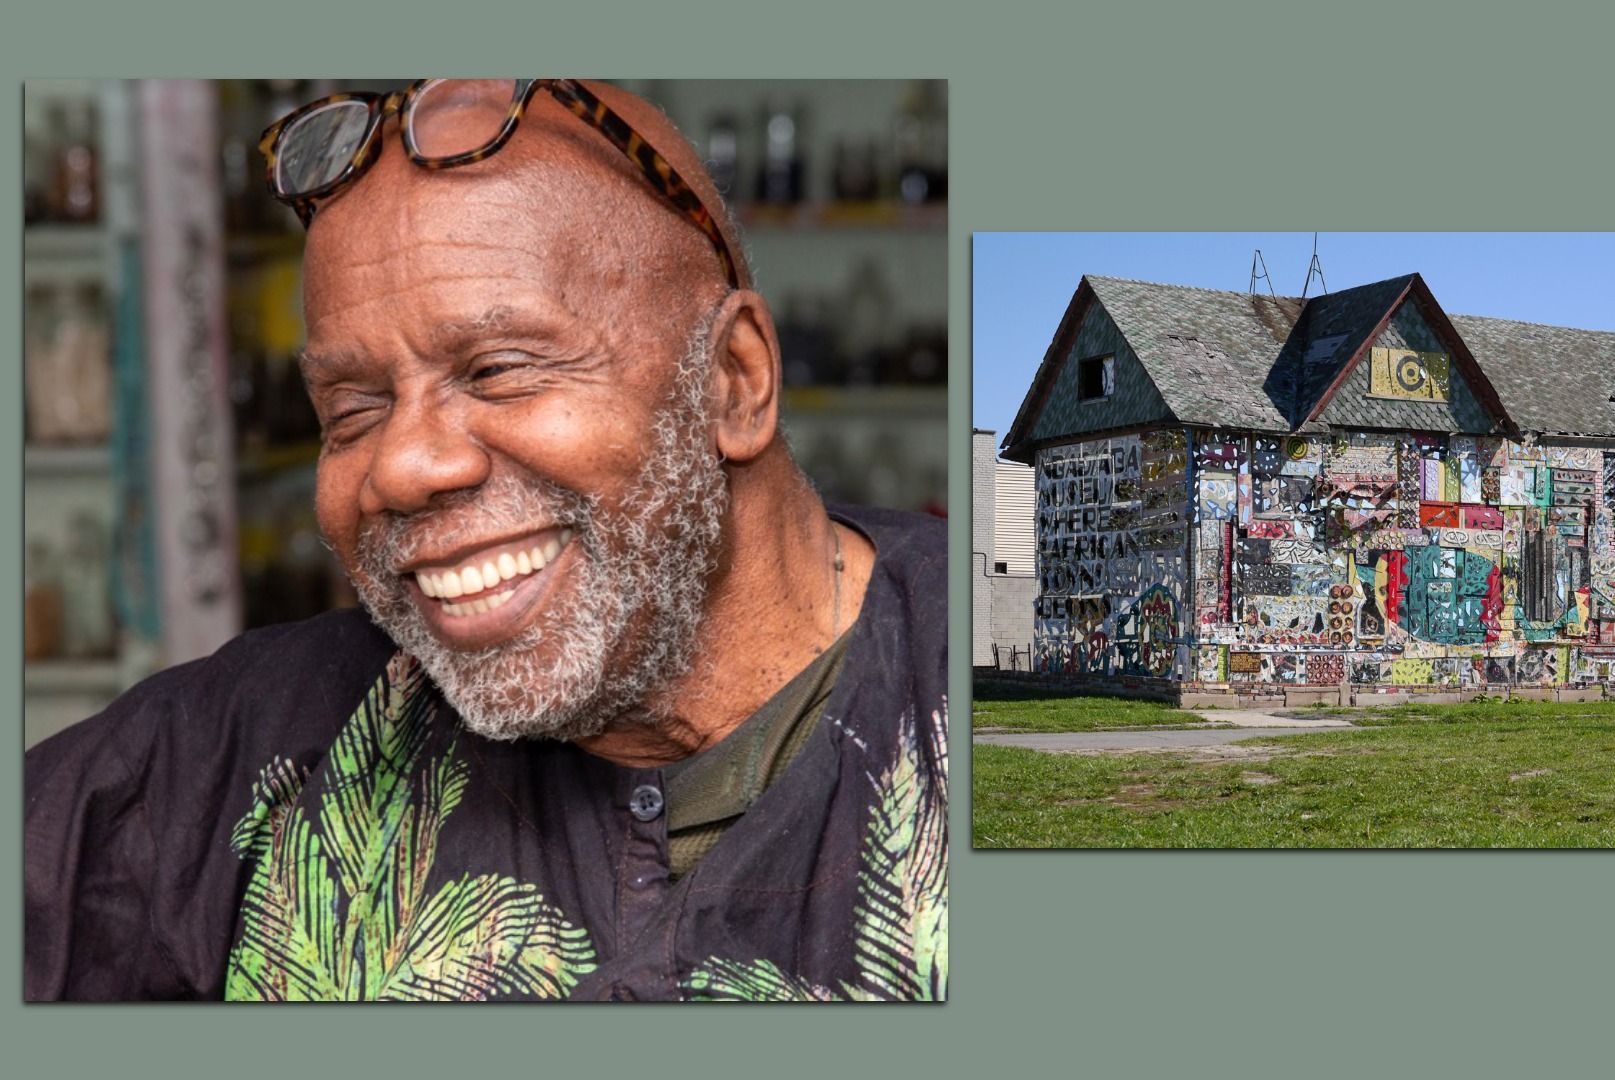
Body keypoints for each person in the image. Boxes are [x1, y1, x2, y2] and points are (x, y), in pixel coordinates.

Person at [25, 80, 948, 1002]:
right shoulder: (244, 757)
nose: (402, 467)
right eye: (353, 411)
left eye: (498, 370)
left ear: (734, 381)